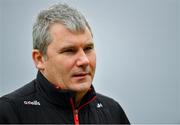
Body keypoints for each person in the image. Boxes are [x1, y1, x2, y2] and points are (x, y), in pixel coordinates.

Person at [0, 3, 130, 124]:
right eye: (69, 51)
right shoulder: (9, 112)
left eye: (88, 48)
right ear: (39, 59)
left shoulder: (113, 112)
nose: (84, 60)